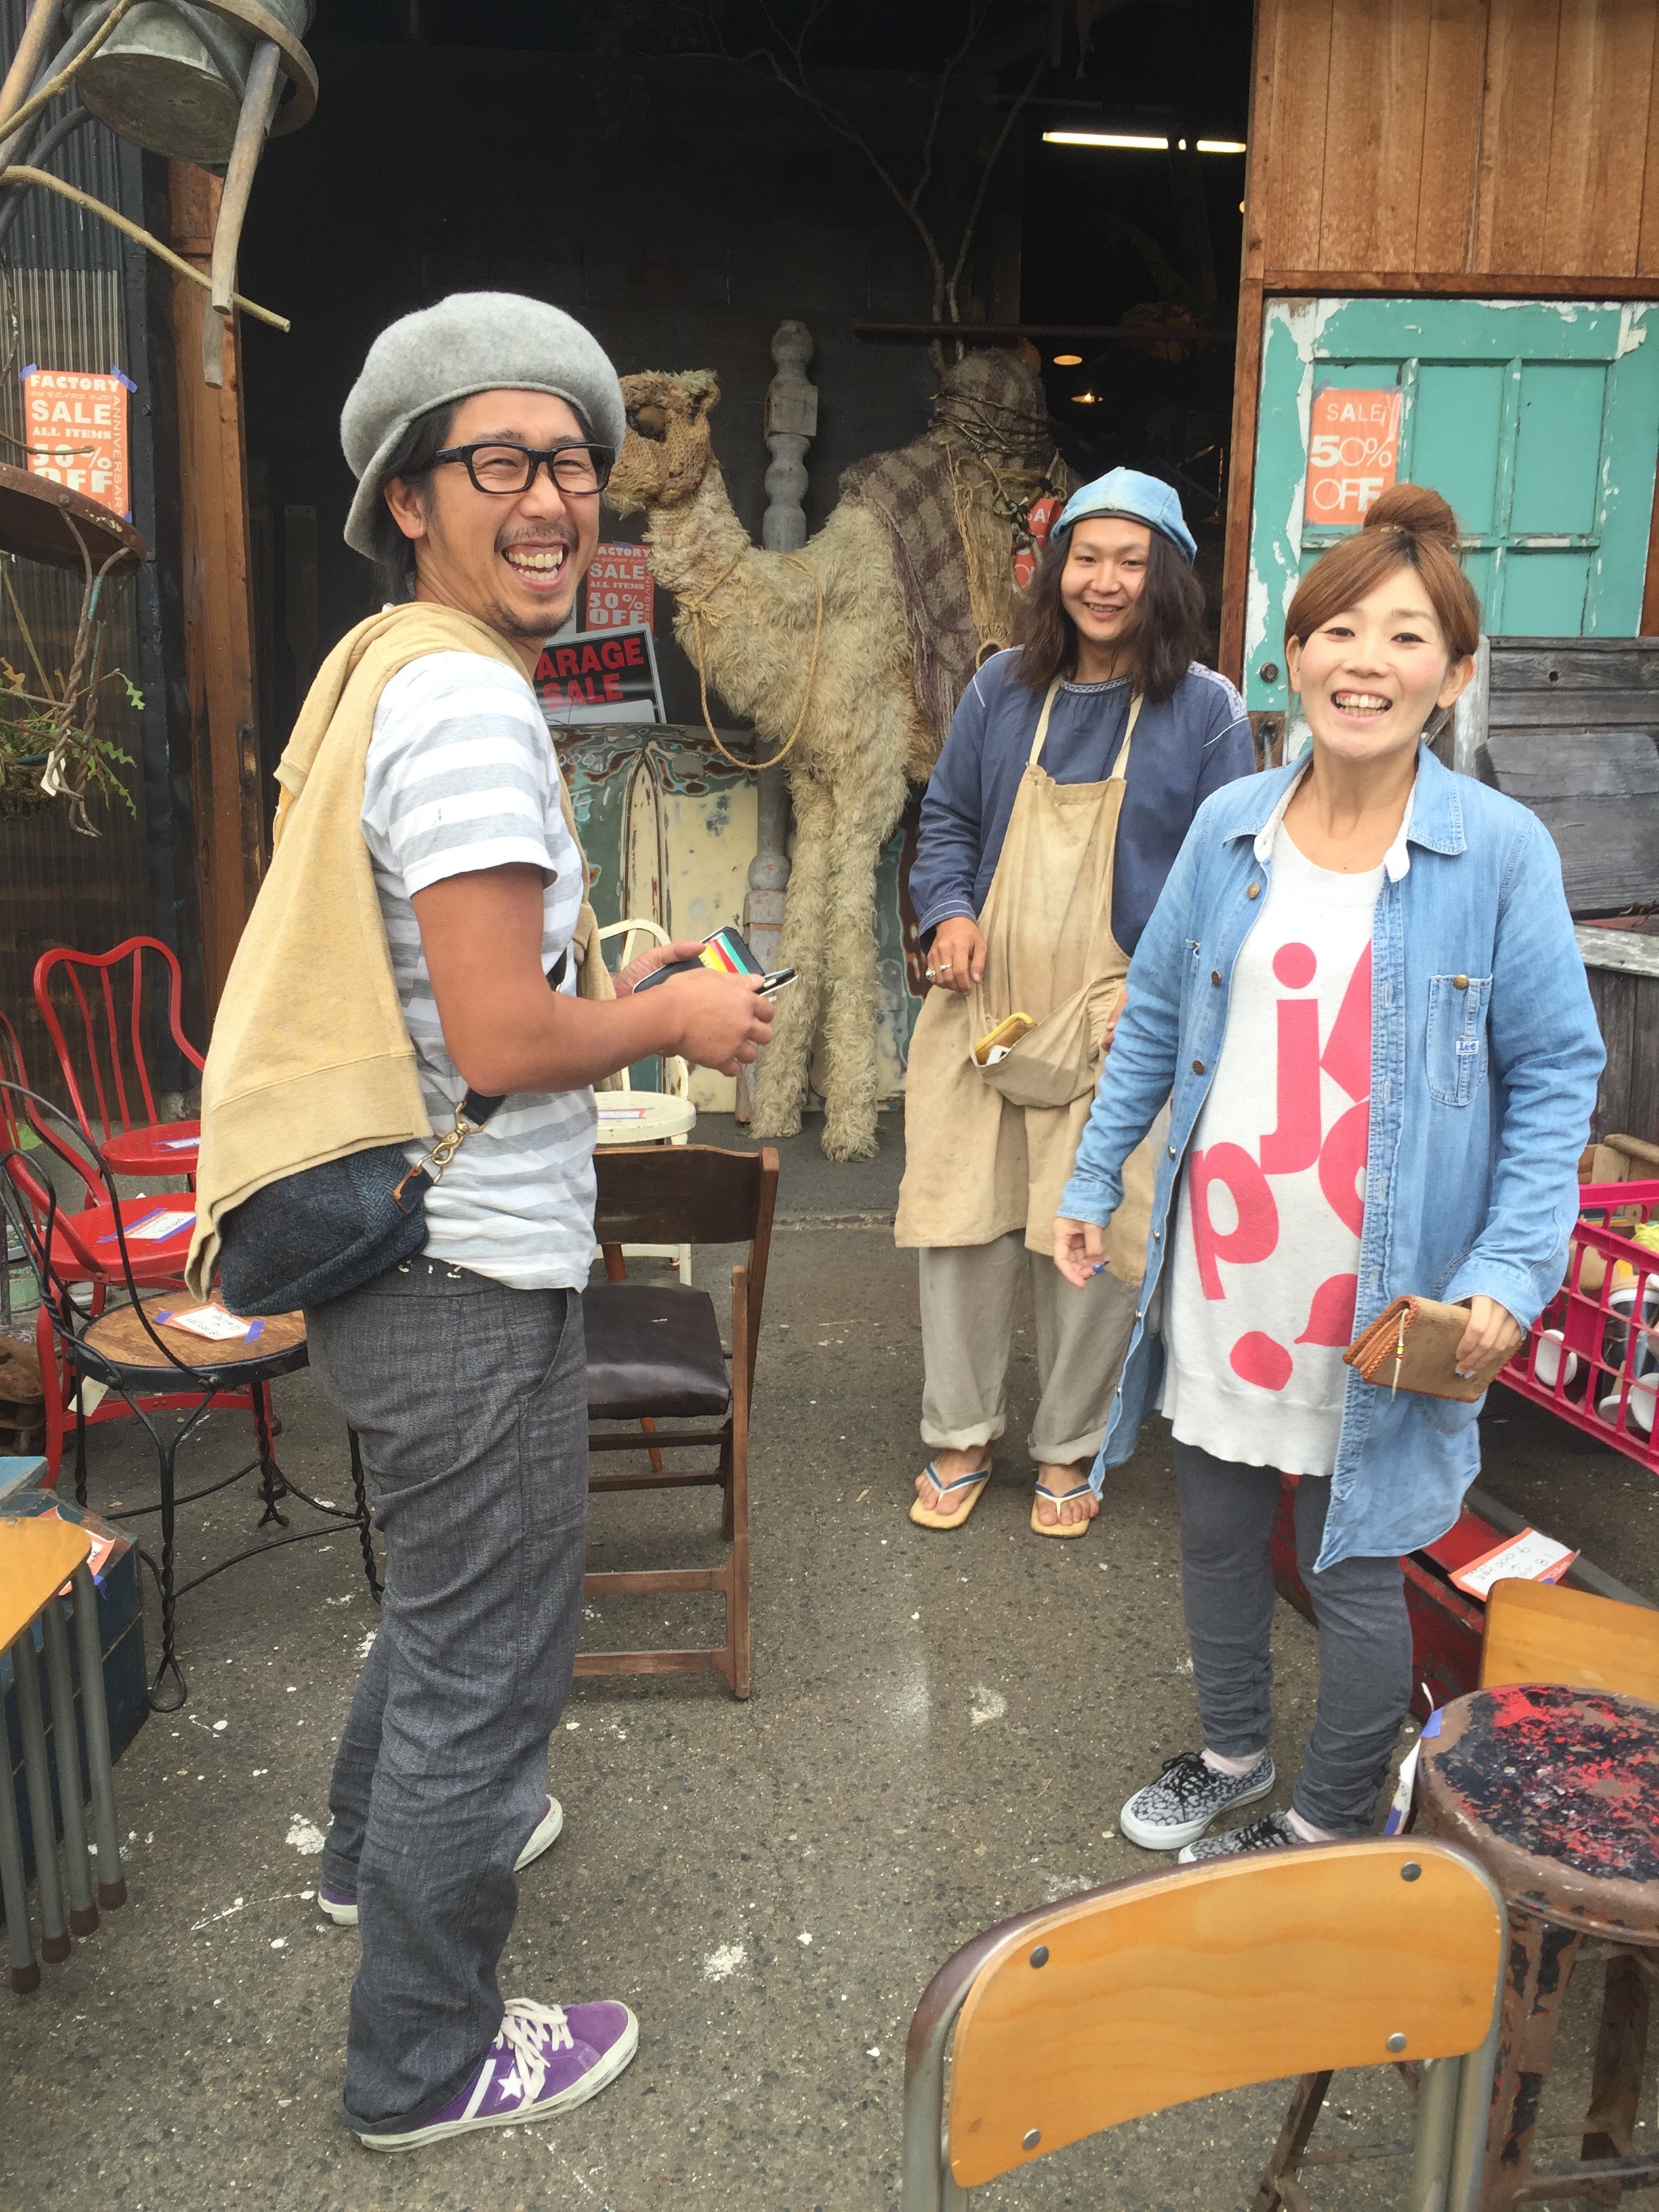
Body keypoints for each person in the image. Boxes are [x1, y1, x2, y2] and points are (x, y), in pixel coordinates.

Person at [187, 294, 773, 2151]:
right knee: (488, 1662)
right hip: (459, 1266)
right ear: (410, 496)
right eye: (499, 462)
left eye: (573, 463)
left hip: (403, 1253)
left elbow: (465, 998)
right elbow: (509, 1043)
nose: (550, 500)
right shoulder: (462, 702)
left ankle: (368, 1859)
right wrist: (677, 1024)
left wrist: (622, 982)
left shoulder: (384, 669)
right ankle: (426, 2059)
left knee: (443, 1616)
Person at [1054, 484, 1604, 1857]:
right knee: (1216, 1535)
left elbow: (1556, 1077)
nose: (1368, 662)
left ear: (1452, 675)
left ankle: (1325, 1820)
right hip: (1229, 1275)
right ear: (1293, 658)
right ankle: (1234, 1753)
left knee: (1353, 1568)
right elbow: (1159, 1018)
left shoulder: (1500, 853)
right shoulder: (1232, 825)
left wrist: (1508, 1272)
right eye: (1339, 631)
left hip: (1384, 1300)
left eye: (1407, 637)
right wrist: (1091, 1177)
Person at [897, 469, 1254, 1535]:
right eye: (1086, 559)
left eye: (1130, 562)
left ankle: (1070, 1446)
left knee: (1091, 1234)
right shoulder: (999, 688)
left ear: (1165, 577)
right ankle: (961, 1432)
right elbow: (948, 822)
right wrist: (948, 914)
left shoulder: (1208, 711)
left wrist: (1162, 987)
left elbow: (1233, 879)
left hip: (1118, 1014)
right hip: (985, 1001)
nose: (1104, 582)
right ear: (1056, 571)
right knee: (961, 1222)